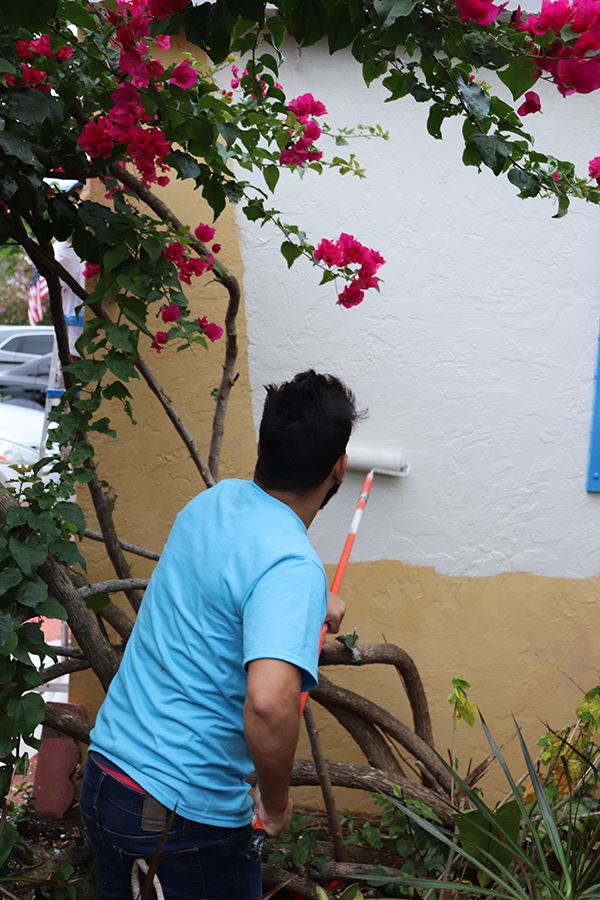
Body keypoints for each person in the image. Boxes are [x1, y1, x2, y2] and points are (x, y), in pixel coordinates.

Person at [80, 370, 362, 900]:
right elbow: (269, 704)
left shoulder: (214, 504)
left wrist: (303, 612)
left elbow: (222, 587)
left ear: (261, 446)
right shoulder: (291, 567)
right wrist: (276, 805)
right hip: (179, 821)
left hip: (106, 780)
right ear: (338, 469)